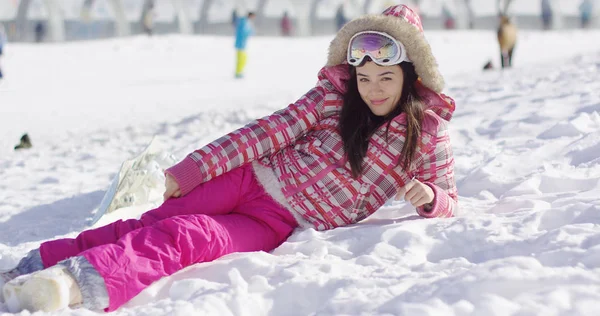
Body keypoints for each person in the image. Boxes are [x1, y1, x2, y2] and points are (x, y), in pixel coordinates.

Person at [0, 4, 457, 313]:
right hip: (248, 178)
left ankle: (70, 285)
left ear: (409, 75)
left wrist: (431, 196)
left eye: (385, 77)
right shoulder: (331, 99)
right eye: (365, 77)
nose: (373, 88)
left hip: (276, 222)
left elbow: (449, 197)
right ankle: (35, 265)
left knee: (188, 237)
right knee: (154, 220)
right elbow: (264, 133)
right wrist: (193, 169)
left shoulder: (425, 135)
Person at [234, 11, 256, 78]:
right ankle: (238, 73)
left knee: (244, 59)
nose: (254, 18)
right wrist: (250, 32)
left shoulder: (246, 22)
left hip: (242, 44)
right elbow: (243, 32)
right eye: (253, 17)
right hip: (240, 44)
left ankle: (239, 72)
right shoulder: (244, 22)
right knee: (241, 59)